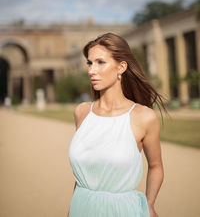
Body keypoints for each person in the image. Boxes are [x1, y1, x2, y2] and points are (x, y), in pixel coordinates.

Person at [68, 32, 167, 217]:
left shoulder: (144, 117)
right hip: (81, 207)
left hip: (123, 211)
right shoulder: (81, 112)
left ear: (121, 67)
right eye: (89, 63)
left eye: (100, 62)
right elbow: (82, 173)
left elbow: (156, 166)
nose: (91, 70)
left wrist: (150, 204)